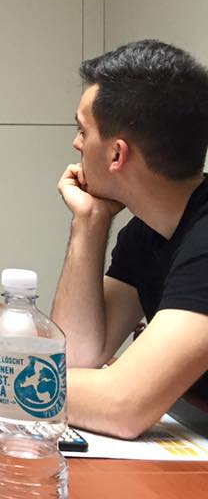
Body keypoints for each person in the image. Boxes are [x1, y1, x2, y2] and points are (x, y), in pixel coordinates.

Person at [52, 39, 208, 439]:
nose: (76, 144)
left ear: (116, 155)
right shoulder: (149, 229)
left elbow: (123, 406)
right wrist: (89, 221)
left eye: (83, 130)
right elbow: (76, 358)